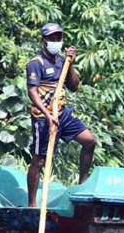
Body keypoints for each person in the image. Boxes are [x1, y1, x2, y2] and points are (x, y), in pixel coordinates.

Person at [26, 22, 96, 207]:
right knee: (39, 160)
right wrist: (48, 116)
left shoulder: (61, 62)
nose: (56, 41)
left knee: (89, 141)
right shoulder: (36, 63)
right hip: (43, 117)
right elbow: (32, 92)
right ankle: (32, 204)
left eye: (59, 38)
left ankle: (82, 184)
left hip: (62, 114)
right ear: (43, 41)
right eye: (52, 38)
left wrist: (70, 64)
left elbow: (74, 87)